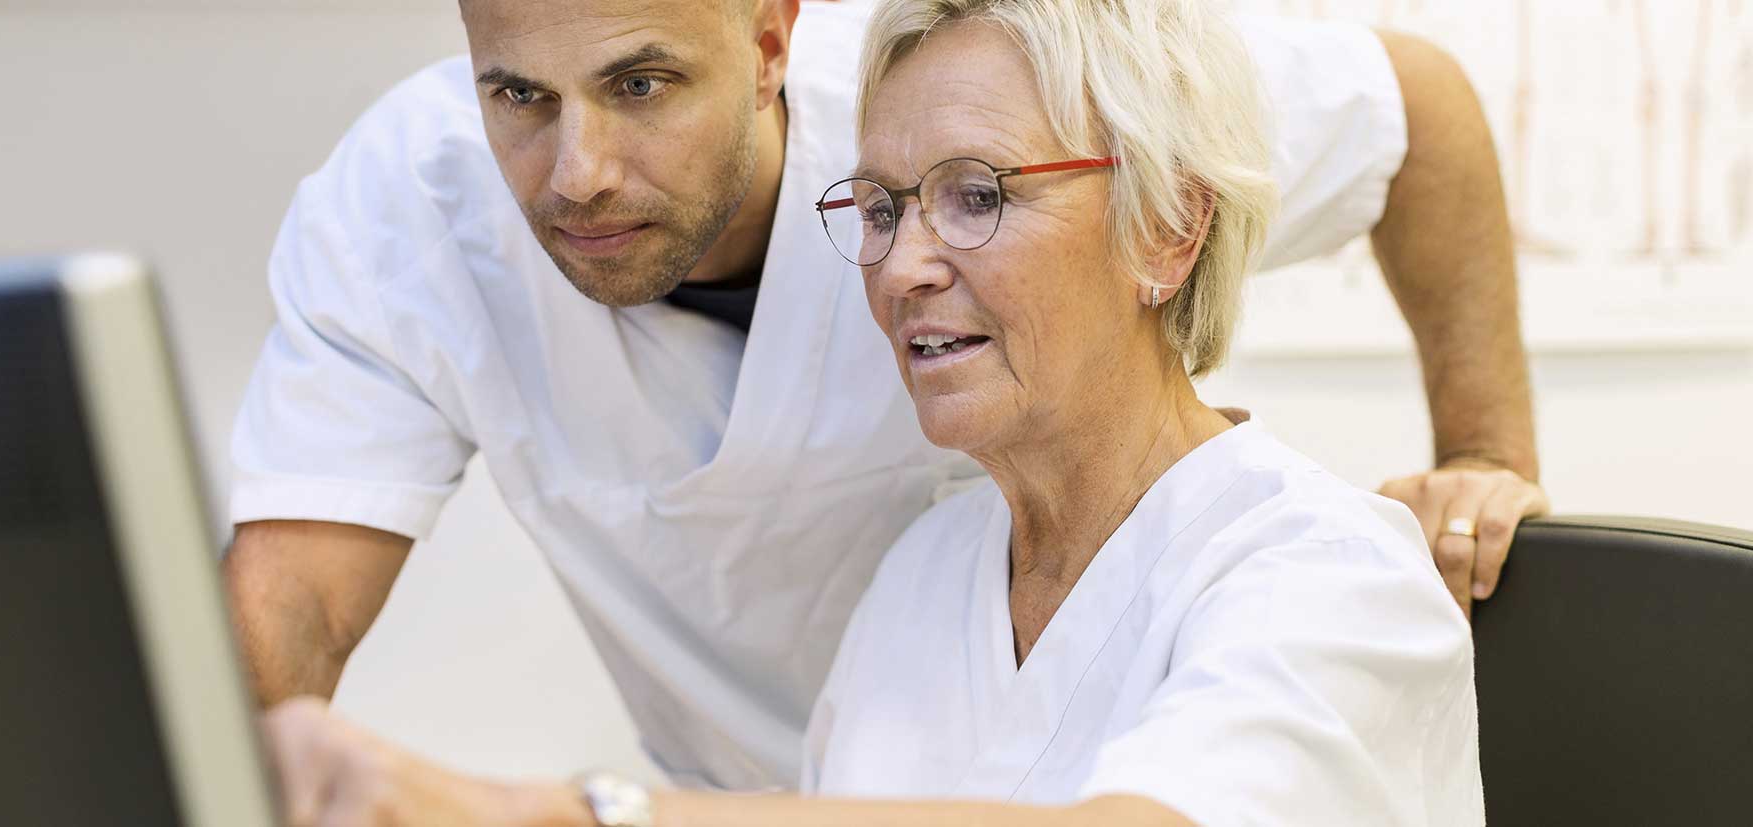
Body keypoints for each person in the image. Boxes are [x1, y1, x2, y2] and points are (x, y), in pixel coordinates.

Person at [225, 0, 1540, 795]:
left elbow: (1411, 108)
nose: (581, 174)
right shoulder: (921, 586)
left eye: (978, 197)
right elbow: (281, 619)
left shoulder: (1322, 577)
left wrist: (1484, 458)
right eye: (885, 208)